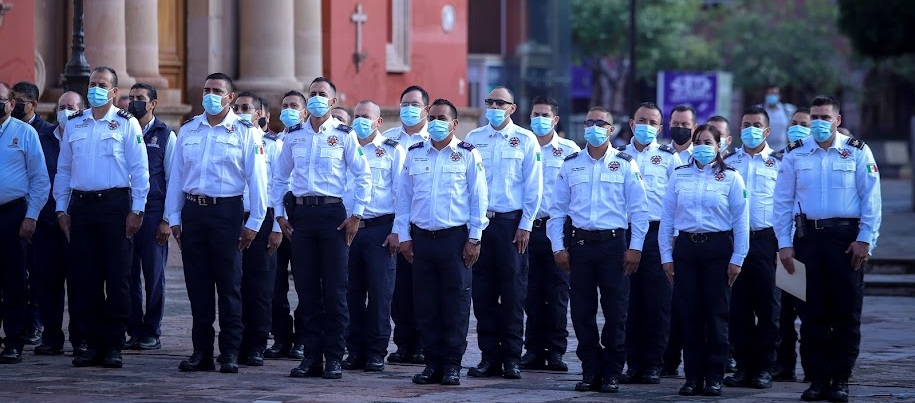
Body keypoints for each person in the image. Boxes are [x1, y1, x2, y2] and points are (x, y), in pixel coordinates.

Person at [774, 95, 881, 403]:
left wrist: (866, 239)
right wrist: (784, 244)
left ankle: (841, 379)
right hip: (808, 239)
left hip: (846, 240)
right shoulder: (796, 154)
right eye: (815, 117)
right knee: (811, 314)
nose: (819, 123)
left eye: (825, 117)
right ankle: (818, 379)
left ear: (837, 120)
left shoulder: (857, 151)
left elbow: (871, 198)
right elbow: (782, 202)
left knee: (846, 312)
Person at [166, 72, 268, 374]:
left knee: (229, 286)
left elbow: (257, 179)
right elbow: (177, 178)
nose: (210, 95)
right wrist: (174, 216)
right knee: (197, 287)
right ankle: (201, 352)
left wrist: (255, 221)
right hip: (194, 213)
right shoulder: (189, 129)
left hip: (227, 214)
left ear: (230, 98)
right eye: (206, 89)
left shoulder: (245, 131)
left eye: (217, 91)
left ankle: (230, 352)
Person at [271, 78, 371, 380]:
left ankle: (333, 358)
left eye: (321, 95)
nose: (315, 98)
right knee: (307, 289)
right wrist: (279, 214)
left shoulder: (344, 135)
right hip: (301, 216)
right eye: (312, 94)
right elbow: (279, 178)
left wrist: (356, 215)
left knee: (335, 291)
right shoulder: (293, 135)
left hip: (332, 216)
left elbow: (363, 175)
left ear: (333, 101)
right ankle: (311, 357)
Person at [54, 66, 150, 369]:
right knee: (86, 280)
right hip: (81, 207)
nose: (94, 89)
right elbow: (64, 169)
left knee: (118, 278)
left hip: (115, 206)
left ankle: (113, 345)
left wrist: (138, 209)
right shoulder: (75, 123)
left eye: (101, 85)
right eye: (91, 84)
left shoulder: (126, 124)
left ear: (113, 92)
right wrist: (61, 207)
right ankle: (92, 345)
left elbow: (140, 170)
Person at [548, 106, 648, 393]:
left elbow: (639, 210)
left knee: (616, 312)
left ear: (611, 129)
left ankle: (613, 371)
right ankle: (590, 370)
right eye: (589, 121)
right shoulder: (571, 164)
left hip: (614, 246)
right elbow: (557, 211)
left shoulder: (625, 163)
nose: (593, 127)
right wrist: (558, 247)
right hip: (580, 246)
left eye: (600, 123)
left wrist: (636, 248)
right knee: (581, 312)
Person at [396, 98, 488, 386]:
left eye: (442, 118)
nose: (436, 123)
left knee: (455, 305)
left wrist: (475, 237)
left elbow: (478, 198)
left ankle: (451, 365)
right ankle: (432, 363)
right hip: (422, 240)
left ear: (454, 124)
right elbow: (404, 198)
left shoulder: (468, 154)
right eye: (432, 117)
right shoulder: (414, 153)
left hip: (454, 240)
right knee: (426, 305)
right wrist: (404, 236)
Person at [659, 124, 749, 396]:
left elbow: (741, 221)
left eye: (708, 141)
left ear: (720, 145)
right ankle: (693, 377)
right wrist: (666, 255)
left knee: (717, 315)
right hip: (686, 248)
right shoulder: (679, 175)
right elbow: (667, 218)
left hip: (718, 249)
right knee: (690, 315)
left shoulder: (731, 177)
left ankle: (714, 377)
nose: (702, 146)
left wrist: (738, 258)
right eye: (698, 141)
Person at [465, 86, 543, 380]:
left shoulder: (525, 139)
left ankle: (511, 357)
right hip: (482, 224)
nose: (495, 106)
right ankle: (489, 356)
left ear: (512, 107)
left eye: (501, 102)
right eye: (491, 101)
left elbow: (534, 185)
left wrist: (526, 224)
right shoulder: (474, 139)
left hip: (511, 225)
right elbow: (469, 186)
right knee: (483, 294)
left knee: (512, 293)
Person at [617, 102, 682, 384]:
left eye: (652, 122)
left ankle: (654, 362)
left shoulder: (669, 158)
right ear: (631, 124)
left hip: (658, 235)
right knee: (627, 301)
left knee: (657, 303)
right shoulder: (618, 156)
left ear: (660, 127)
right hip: (626, 234)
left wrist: (674, 239)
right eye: (641, 120)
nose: (646, 126)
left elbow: (679, 201)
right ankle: (632, 363)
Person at [341, 100, 405, 372]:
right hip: (347, 230)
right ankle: (354, 350)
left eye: (366, 116)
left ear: (379, 122)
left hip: (379, 229)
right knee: (350, 293)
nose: (360, 120)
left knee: (380, 294)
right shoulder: (343, 145)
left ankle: (376, 351)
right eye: (356, 115)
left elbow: (403, 195)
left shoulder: (392, 150)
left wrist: (397, 232)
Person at [722, 106, 781, 390]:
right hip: (734, 241)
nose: (751, 129)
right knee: (738, 307)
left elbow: (788, 202)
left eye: (756, 125)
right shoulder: (728, 162)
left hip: (767, 240)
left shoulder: (780, 162)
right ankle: (744, 365)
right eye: (746, 124)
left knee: (769, 307)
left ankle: (765, 368)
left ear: (767, 131)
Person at [519, 96, 579, 372]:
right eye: (535, 114)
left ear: (555, 120)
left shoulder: (569, 150)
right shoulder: (522, 145)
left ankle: (555, 352)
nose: (539, 119)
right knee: (529, 293)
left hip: (558, 230)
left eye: (544, 115)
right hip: (527, 229)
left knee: (556, 294)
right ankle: (532, 349)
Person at [31, 91, 86, 357]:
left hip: (79, 223)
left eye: (71, 107)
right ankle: (51, 336)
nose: (65, 111)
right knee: (48, 283)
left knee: (80, 284)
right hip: (47, 221)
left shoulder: (87, 137)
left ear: (81, 109)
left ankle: (80, 338)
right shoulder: (42, 140)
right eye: (61, 106)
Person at [0, 82, 51, 364]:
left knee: (14, 281)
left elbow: (40, 179)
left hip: (13, 214)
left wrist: (31, 215)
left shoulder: (26, 133)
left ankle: (14, 341)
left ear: (10, 103)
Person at [123, 82, 176, 352]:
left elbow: (173, 178)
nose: (134, 102)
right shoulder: (122, 128)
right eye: (131, 97)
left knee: (153, 274)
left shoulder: (165, 134)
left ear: (153, 103)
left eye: (140, 98)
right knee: (126, 273)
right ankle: (133, 328)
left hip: (154, 210)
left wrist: (168, 219)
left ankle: (151, 329)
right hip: (126, 208)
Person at [232, 91, 283, 367]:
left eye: (246, 108)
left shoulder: (273, 146)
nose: (240, 112)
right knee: (233, 285)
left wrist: (276, 226)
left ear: (260, 115)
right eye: (237, 107)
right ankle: (234, 341)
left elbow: (279, 187)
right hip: (232, 218)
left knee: (260, 287)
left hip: (262, 221)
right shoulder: (228, 140)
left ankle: (256, 345)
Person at [382, 85, 430, 365]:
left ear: (425, 108)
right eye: (404, 103)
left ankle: (424, 343)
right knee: (399, 289)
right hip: (394, 224)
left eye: (414, 104)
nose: (408, 109)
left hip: (424, 222)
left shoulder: (436, 140)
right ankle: (404, 343)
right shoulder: (387, 140)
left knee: (424, 287)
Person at [11, 81, 56, 347]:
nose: (14, 104)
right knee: (15, 272)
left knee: (37, 270)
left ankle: (35, 321)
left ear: (33, 105)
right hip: (12, 208)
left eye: (19, 101)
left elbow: (45, 175)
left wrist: (36, 212)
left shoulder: (46, 133)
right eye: (12, 99)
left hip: (38, 212)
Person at [264, 92, 306, 361]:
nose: (289, 111)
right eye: (285, 106)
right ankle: (281, 337)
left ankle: (302, 339)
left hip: (302, 219)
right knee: (274, 284)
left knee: (306, 284)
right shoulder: (274, 143)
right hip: (277, 218)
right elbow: (273, 184)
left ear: (304, 113)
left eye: (294, 106)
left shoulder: (311, 141)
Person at [773, 106, 811, 383]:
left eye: (804, 124)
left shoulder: (814, 159)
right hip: (780, 243)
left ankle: (813, 367)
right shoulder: (777, 159)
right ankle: (783, 365)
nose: (797, 128)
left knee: (810, 311)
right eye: (794, 123)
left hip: (808, 241)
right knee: (782, 312)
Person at [661, 103, 698, 376]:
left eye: (686, 124)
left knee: (693, 304)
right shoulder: (660, 155)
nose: (680, 128)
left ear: (694, 127)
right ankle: (667, 358)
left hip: (691, 240)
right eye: (676, 123)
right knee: (666, 304)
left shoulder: (706, 156)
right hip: (666, 240)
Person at [759, 85, 796, 152]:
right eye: (770, 94)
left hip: (783, 150)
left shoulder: (788, 110)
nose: (772, 96)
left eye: (774, 94)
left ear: (779, 96)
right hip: (763, 151)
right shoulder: (759, 110)